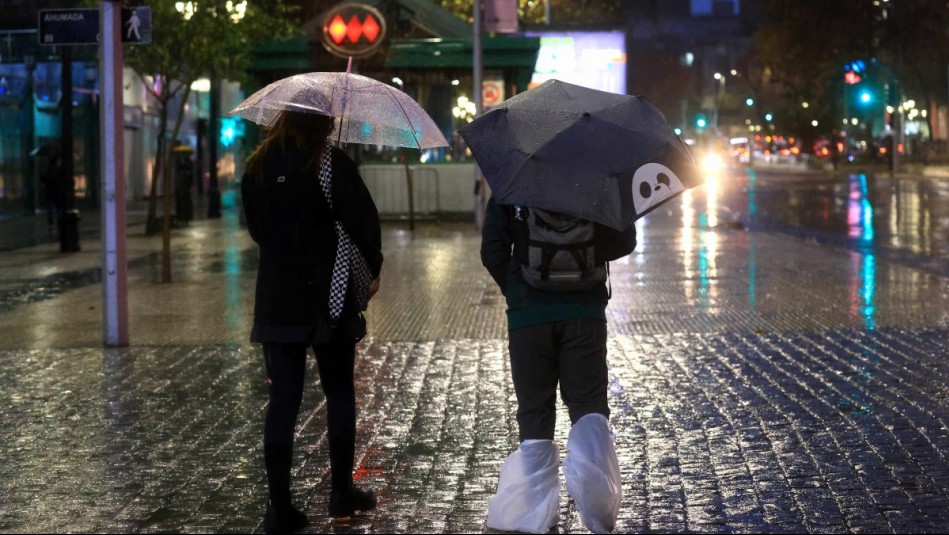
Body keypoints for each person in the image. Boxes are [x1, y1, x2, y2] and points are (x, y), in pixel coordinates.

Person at [241, 111, 383, 534]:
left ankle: (279, 508)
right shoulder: (330, 163)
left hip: (278, 298)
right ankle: (341, 491)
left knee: (283, 400)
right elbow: (364, 222)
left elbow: (257, 231)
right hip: (329, 295)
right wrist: (371, 271)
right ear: (320, 125)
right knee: (338, 392)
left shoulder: (258, 167)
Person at [480, 197, 635, 534]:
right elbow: (625, 240)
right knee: (589, 403)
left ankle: (532, 515)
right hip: (585, 312)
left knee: (535, 408)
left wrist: (519, 288)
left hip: (528, 316)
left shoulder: (515, 178)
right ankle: (598, 506)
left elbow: (491, 248)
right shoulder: (595, 175)